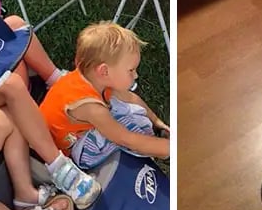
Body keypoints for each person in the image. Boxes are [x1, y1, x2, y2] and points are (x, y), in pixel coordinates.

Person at [39, 22, 170, 169]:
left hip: (76, 126)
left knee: (126, 110)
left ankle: (152, 142)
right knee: (126, 128)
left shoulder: (93, 79)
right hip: (76, 146)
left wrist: (157, 121)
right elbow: (126, 139)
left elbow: (130, 98)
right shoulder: (90, 106)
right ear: (104, 71)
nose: (136, 75)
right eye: (131, 70)